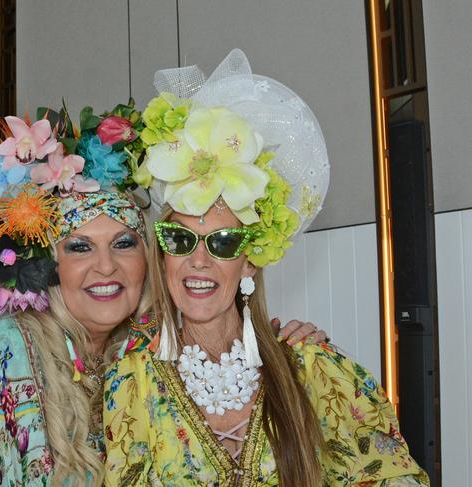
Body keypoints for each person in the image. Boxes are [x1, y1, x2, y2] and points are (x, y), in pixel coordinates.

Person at [0, 101, 325, 486]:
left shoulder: (154, 350)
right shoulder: (3, 353)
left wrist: (282, 353)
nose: (106, 266)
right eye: (79, 247)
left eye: (124, 243)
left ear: (150, 256)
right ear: (49, 264)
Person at [103, 50, 430, 486]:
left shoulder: (314, 369)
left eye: (223, 242)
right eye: (180, 239)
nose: (199, 260)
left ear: (249, 264)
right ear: (163, 256)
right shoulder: (132, 383)